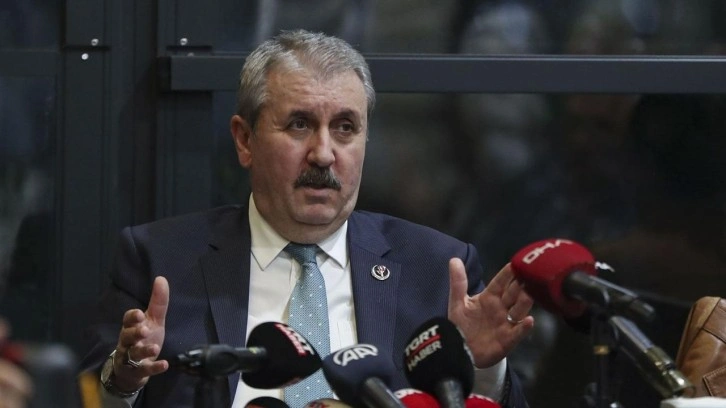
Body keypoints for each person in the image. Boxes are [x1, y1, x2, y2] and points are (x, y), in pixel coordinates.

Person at [80, 29, 534, 408]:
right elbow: (90, 398)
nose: (323, 153)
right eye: (299, 124)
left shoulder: (435, 269)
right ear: (244, 140)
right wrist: (125, 378)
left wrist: (484, 369)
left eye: (345, 128)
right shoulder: (161, 260)